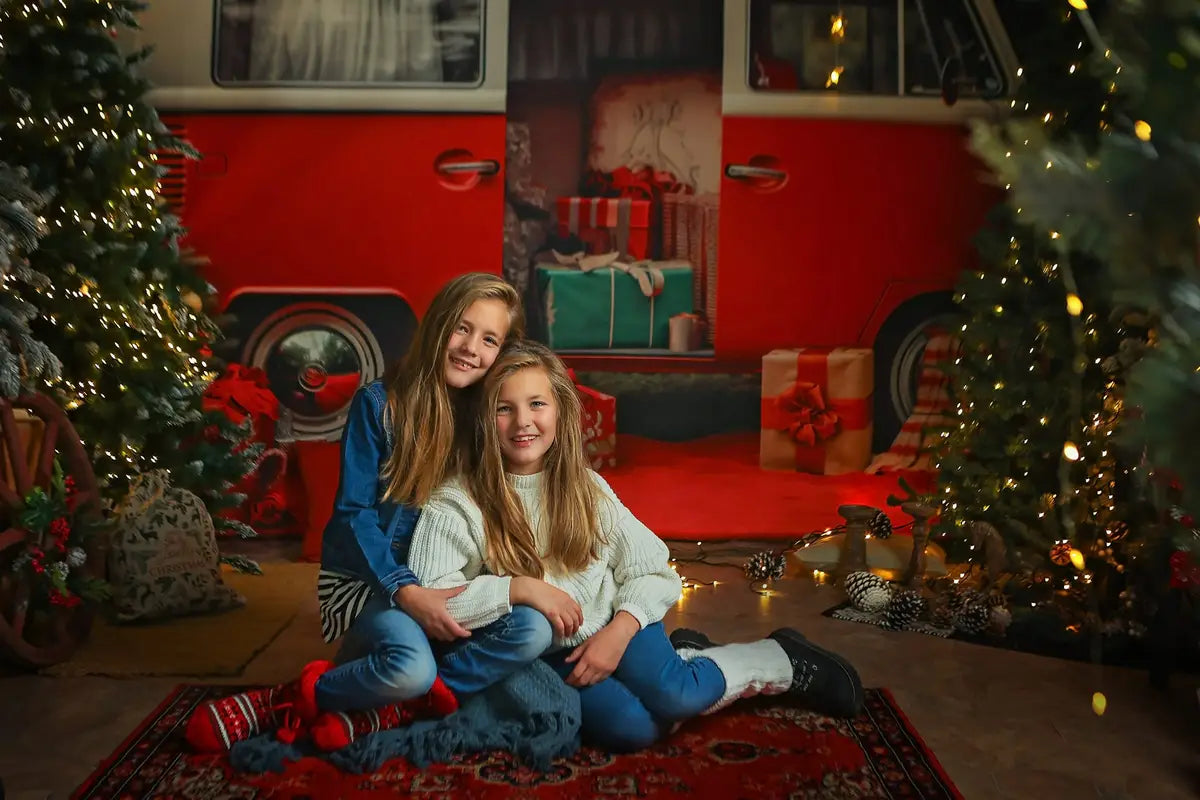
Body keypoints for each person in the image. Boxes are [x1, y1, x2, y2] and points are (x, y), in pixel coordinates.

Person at [407, 340, 864, 753]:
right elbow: (434, 600)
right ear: (483, 419)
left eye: (537, 404)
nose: (523, 421)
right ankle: (691, 656)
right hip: (554, 654)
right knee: (632, 731)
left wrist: (621, 630)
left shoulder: (585, 489)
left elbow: (653, 568)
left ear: (560, 412)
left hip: (619, 619)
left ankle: (778, 656)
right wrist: (518, 588)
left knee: (676, 694)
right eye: (504, 408)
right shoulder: (457, 500)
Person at [186, 273, 558, 754]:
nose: (471, 348)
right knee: (412, 669)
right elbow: (354, 514)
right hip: (371, 579)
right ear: (437, 325)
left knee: (533, 630)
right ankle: (289, 699)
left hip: (451, 580)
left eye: (490, 339)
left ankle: (392, 708)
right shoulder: (379, 404)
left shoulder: (491, 415)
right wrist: (406, 591)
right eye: (462, 328)